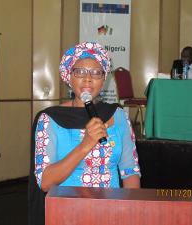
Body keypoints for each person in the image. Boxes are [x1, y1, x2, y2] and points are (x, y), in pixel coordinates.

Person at [28, 42, 141, 225]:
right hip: (68, 214)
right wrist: (86, 144)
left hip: (113, 213)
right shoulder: (49, 119)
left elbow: (130, 171)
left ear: (104, 79)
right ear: (69, 78)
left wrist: (131, 212)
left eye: (96, 73)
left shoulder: (118, 116)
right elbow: (45, 182)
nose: (88, 79)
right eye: (80, 72)